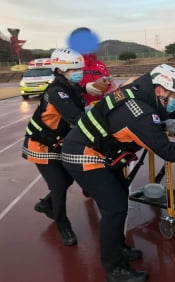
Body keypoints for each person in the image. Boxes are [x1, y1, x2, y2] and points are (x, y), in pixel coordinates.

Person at [61, 64, 175, 282]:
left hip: (96, 150)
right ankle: (114, 269)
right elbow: (165, 149)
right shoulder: (141, 112)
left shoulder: (136, 91)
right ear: (159, 90)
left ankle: (119, 249)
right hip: (84, 155)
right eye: (173, 95)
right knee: (114, 209)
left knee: (119, 199)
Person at [22, 48, 86, 246]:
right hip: (40, 145)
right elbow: (78, 118)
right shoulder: (57, 93)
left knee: (67, 179)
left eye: (80, 69)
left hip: (56, 143)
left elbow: (79, 99)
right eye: (74, 70)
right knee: (59, 185)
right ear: (60, 70)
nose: (79, 73)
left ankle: (46, 204)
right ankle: (63, 226)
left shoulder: (68, 87)